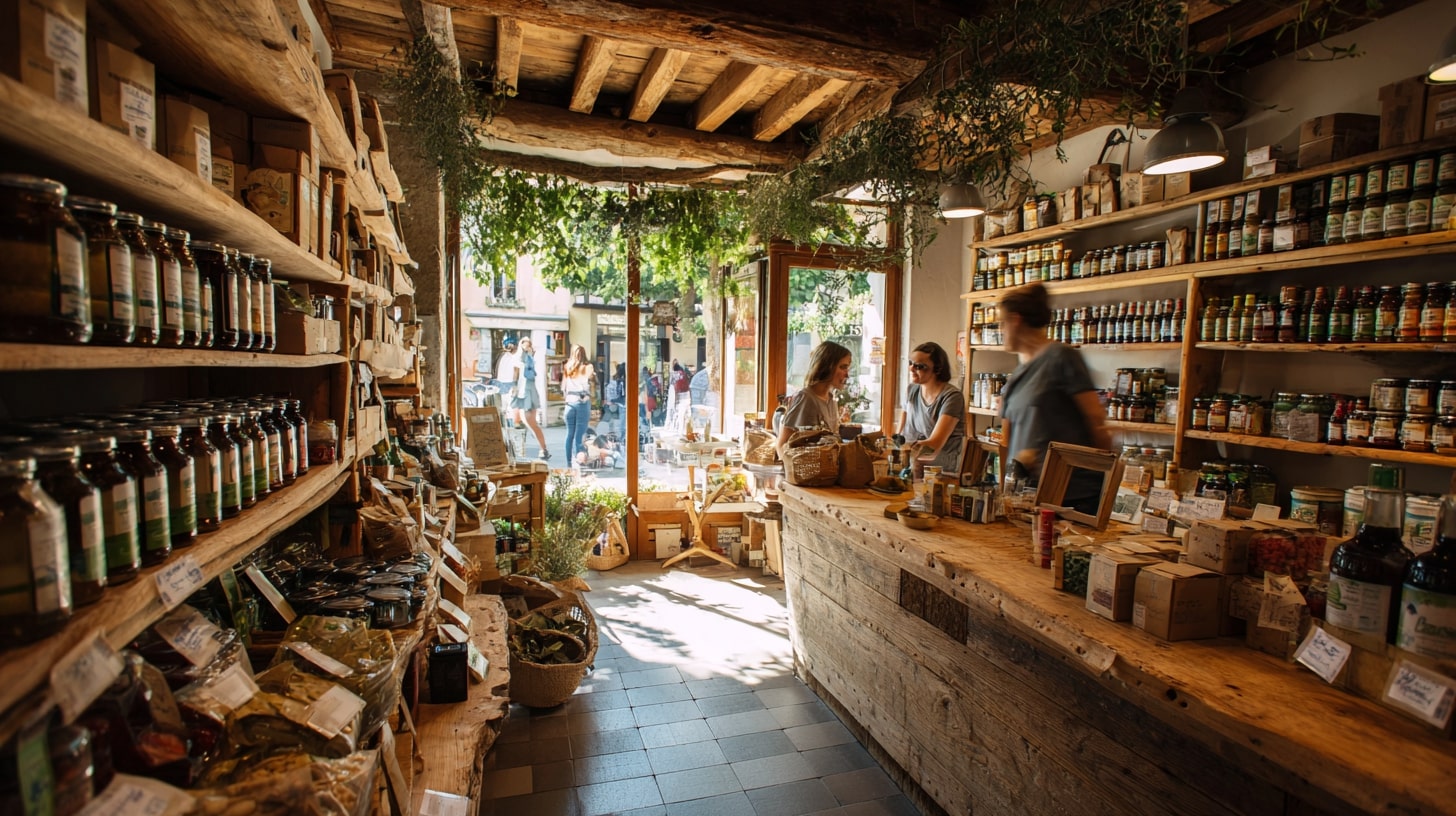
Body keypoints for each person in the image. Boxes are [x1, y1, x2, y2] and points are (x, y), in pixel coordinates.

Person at [997, 283, 1112, 513]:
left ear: (1015, 320)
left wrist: (1107, 482)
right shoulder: (1019, 373)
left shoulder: (1062, 357)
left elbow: (1096, 422)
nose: (1000, 330)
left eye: (1001, 323)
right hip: (1028, 496)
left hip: (1070, 496)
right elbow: (1007, 439)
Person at [898, 341, 967, 473]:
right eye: (910, 363)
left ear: (937, 369)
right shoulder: (911, 390)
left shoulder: (952, 397)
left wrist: (903, 450)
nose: (912, 368)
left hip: (941, 470)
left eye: (919, 366)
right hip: (912, 463)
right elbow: (901, 433)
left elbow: (934, 444)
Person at [776, 341, 852, 455]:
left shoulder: (831, 400)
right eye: (843, 367)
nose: (847, 375)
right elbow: (782, 445)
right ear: (827, 366)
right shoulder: (805, 398)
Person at [511, 337, 551, 459]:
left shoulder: (530, 359)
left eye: (528, 345)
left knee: (530, 422)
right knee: (524, 422)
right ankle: (541, 449)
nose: (526, 348)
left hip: (527, 391)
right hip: (523, 391)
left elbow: (523, 374)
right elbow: (516, 374)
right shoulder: (521, 358)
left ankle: (543, 449)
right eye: (524, 345)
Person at [561, 344, 597, 466]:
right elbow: (591, 382)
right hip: (582, 402)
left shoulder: (567, 366)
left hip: (569, 403)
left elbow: (563, 387)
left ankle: (568, 463)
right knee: (579, 435)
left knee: (569, 434)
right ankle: (580, 464)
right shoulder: (588, 367)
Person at [494, 336, 520, 427]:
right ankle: (510, 425)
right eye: (516, 346)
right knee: (510, 406)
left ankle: (503, 425)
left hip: (500, 383)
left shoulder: (502, 356)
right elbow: (516, 371)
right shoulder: (514, 357)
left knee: (504, 407)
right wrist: (514, 384)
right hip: (509, 383)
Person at [605, 363, 627, 438]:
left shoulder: (620, 381)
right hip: (625, 405)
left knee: (622, 426)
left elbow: (621, 396)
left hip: (622, 405)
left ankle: (622, 441)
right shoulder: (623, 381)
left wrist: (612, 400)